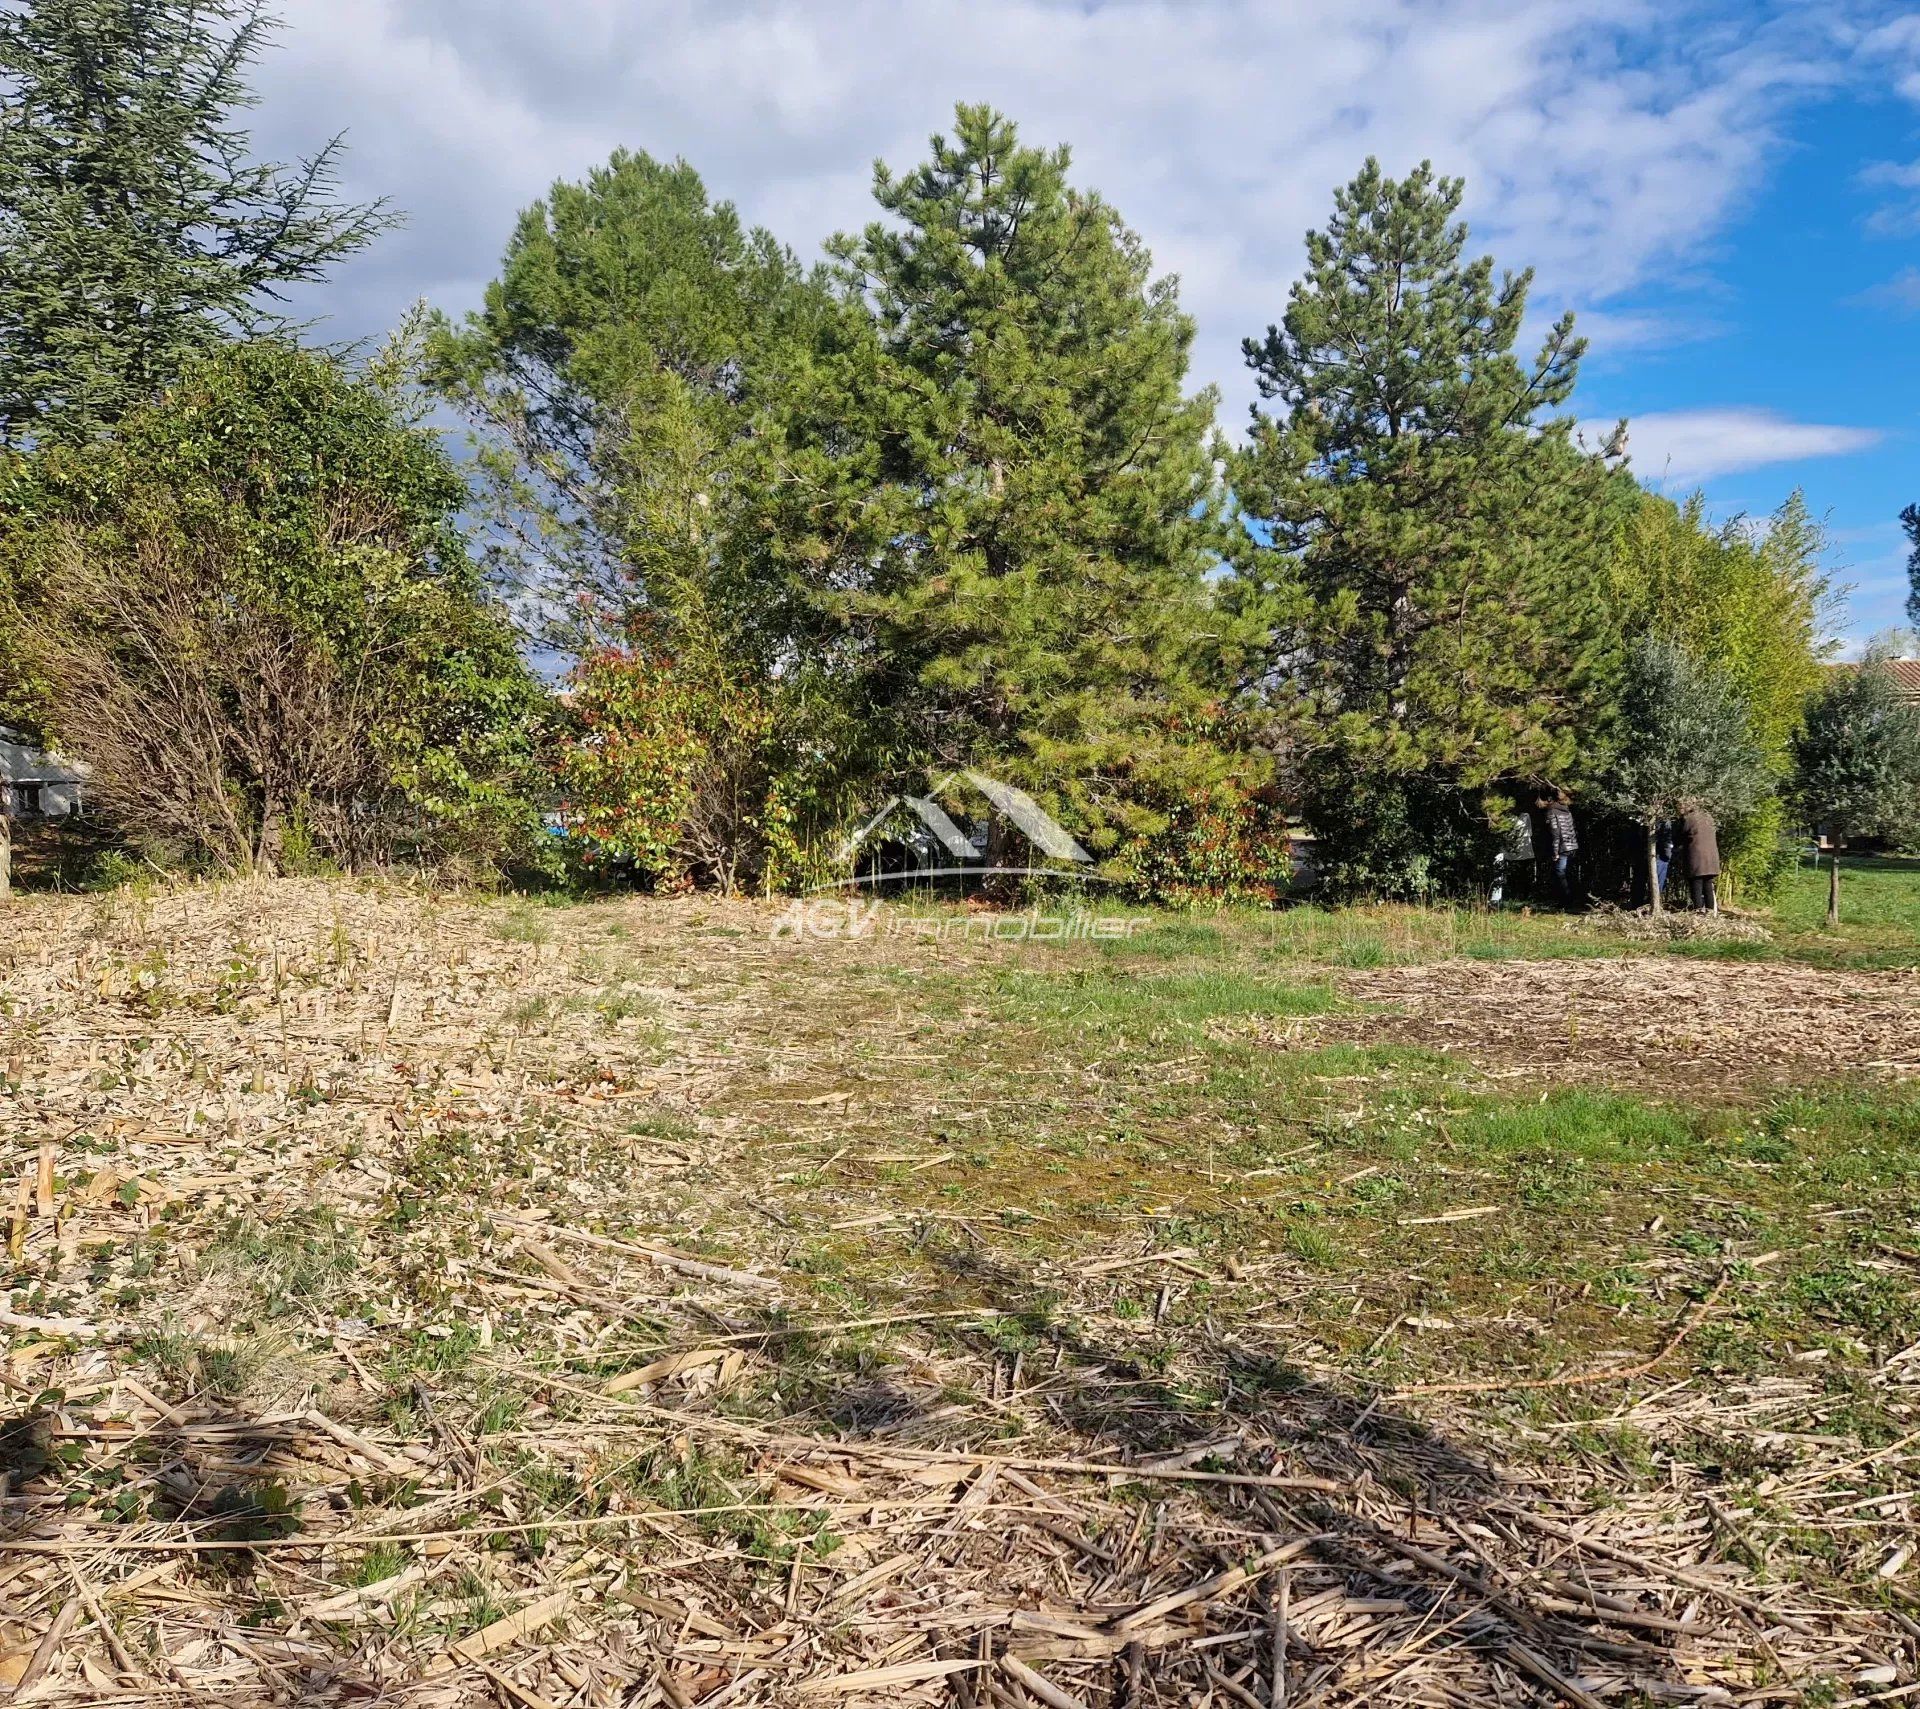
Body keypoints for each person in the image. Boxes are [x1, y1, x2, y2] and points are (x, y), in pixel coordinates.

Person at [1680, 802, 1720, 912]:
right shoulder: (1709, 817)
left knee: (1696, 886)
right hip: (1711, 858)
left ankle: (1697, 913)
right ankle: (1710, 913)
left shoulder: (1690, 819)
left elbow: (1681, 834)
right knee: (1707, 885)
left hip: (1697, 858)